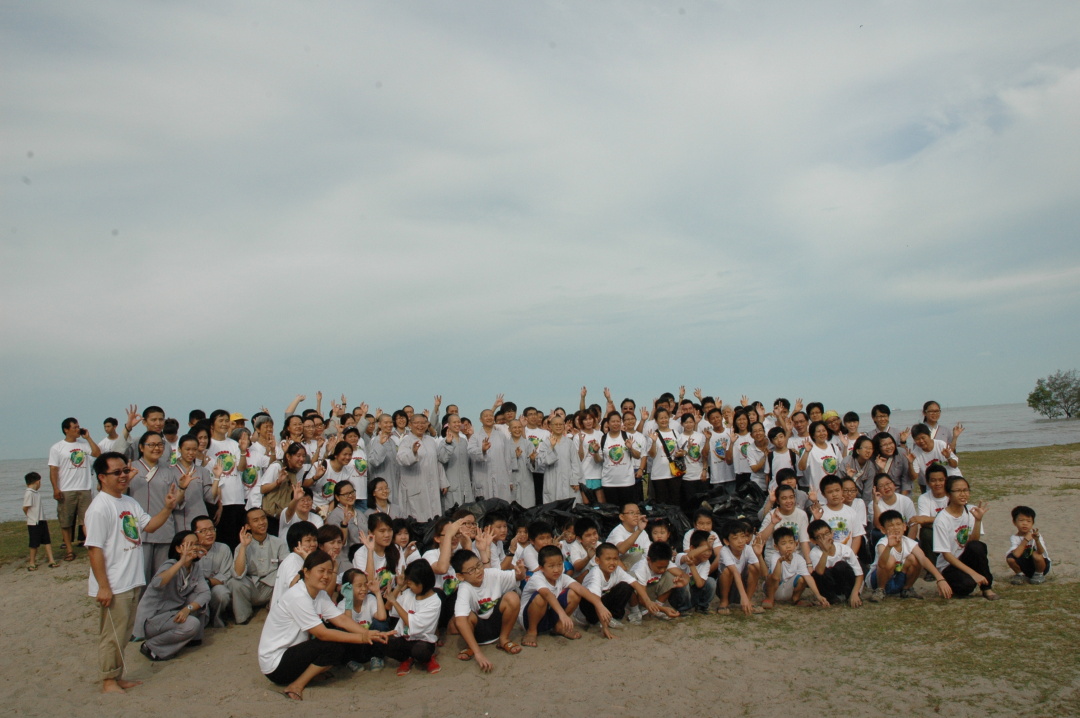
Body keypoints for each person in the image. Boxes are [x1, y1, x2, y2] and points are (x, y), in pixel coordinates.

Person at [84, 451, 179, 694]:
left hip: (132, 579)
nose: (124, 476)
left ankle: (117, 676)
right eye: (117, 472)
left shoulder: (129, 502)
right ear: (102, 477)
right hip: (114, 583)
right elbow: (94, 550)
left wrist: (168, 508)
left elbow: (150, 526)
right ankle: (108, 680)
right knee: (112, 635)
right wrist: (103, 586)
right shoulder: (99, 508)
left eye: (125, 471)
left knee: (124, 633)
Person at [258, 549, 389, 701]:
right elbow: (322, 633)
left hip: (292, 652)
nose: (326, 576)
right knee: (333, 645)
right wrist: (362, 638)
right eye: (321, 571)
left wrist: (367, 633)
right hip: (276, 664)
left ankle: (310, 674)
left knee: (338, 638)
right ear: (306, 572)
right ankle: (296, 685)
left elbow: (341, 619)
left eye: (329, 572)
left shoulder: (319, 594)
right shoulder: (298, 596)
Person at [133, 530, 210, 661]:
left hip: (172, 615)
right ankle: (151, 646)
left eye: (196, 544)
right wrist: (181, 562)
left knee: (195, 599)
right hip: (153, 619)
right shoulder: (170, 564)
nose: (194, 547)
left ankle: (191, 639)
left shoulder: (195, 567)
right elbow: (157, 583)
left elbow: (205, 593)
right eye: (190, 544)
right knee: (192, 624)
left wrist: (188, 609)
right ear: (178, 548)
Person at [451, 543, 526, 672]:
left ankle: (504, 639)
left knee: (512, 597)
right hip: (478, 630)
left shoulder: (491, 574)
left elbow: (517, 576)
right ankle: (472, 647)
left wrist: (520, 571)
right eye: (471, 570)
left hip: (496, 624)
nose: (478, 571)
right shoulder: (464, 588)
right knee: (461, 617)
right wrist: (479, 654)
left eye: (478, 565)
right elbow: (461, 621)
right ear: (461, 576)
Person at [520, 545, 602, 646]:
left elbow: (580, 589)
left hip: (550, 614)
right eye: (551, 566)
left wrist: (599, 605)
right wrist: (562, 614)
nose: (556, 570)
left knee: (575, 593)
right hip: (529, 619)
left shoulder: (562, 577)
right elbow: (547, 594)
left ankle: (559, 626)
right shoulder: (537, 577)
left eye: (559, 565)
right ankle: (532, 631)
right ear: (541, 568)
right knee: (540, 597)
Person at [933, 476, 998, 600]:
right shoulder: (941, 519)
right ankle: (952, 582)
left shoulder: (971, 510)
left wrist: (978, 521)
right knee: (966, 586)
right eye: (958, 491)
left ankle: (987, 588)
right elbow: (946, 555)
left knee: (977, 546)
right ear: (948, 494)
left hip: (965, 557)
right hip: (948, 564)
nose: (963, 494)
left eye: (966, 490)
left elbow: (974, 542)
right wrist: (973, 574)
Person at [48, 417, 101, 562]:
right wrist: (55, 488)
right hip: (66, 489)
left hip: (84, 488)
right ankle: (69, 549)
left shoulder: (84, 445)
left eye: (78, 427)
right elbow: (53, 470)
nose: (78, 429)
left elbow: (97, 453)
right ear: (66, 430)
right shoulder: (57, 448)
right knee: (66, 521)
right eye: (75, 427)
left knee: (87, 520)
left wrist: (88, 438)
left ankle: (91, 547)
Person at [868, 510, 951, 602]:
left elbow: (923, 559)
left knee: (914, 558)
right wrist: (889, 547)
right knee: (890, 560)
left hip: (898, 580)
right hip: (879, 580)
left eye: (898, 524)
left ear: (904, 526)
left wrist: (940, 579)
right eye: (891, 525)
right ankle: (880, 590)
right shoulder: (882, 543)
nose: (895, 528)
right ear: (883, 530)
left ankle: (907, 589)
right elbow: (882, 564)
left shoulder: (909, 542)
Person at [128, 431, 178, 581]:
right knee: (140, 576)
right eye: (152, 445)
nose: (156, 448)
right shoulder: (130, 468)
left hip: (164, 531)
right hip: (138, 531)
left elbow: (175, 500)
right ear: (141, 447)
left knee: (161, 577)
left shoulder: (168, 471)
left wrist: (182, 489)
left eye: (160, 445)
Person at [229, 508, 289, 624]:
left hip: (272, 587)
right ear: (248, 526)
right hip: (252, 587)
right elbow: (238, 574)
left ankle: (275, 609)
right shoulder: (241, 546)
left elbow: (287, 567)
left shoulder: (279, 542)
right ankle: (243, 617)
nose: (261, 522)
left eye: (263, 518)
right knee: (234, 583)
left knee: (285, 576)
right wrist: (243, 547)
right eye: (256, 520)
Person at [383, 559, 443, 675]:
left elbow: (411, 623)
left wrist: (394, 601)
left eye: (411, 583)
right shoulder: (409, 593)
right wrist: (399, 587)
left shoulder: (434, 601)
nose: (409, 586)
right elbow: (387, 606)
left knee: (420, 651)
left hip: (423, 640)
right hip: (404, 638)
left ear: (422, 583)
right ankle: (406, 659)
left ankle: (428, 659)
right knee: (384, 643)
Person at [580, 542, 654, 630]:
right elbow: (596, 600)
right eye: (608, 559)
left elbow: (634, 583)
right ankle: (598, 622)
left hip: (603, 603)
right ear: (597, 560)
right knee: (591, 601)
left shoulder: (617, 570)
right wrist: (605, 628)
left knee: (626, 586)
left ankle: (615, 617)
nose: (612, 562)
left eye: (615, 559)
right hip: (591, 607)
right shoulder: (596, 574)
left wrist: (647, 601)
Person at [757, 527, 829, 609]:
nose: (788, 546)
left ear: (796, 544)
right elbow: (775, 577)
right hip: (775, 589)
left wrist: (818, 595)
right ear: (776, 547)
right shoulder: (775, 557)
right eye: (783, 543)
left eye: (791, 543)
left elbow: (808, 577)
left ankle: (795, 599)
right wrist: (780, 562)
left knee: (802, 578)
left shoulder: (799, 558)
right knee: (771, 576)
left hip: (788, 589)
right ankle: (770, 598)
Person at [397, 413, 450, 521]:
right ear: (410, 425)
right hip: (415, 486)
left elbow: (438, 462)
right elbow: (401, 459)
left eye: (423, 423)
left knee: (435, 516)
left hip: (432, 484)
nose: (420, 426)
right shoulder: (406, 441)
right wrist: (413, 453)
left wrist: (443, 481)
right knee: (418, 517)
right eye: (417, 423)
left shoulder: (431, 440)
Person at [806, 520, 864, 607]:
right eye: (820, 537)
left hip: (846, 584)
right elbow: (820, 572)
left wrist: (855, 593)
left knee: (841, 566)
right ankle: (832, 598)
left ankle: (849, 595)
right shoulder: (814, 553)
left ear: (832, 532)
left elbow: (859, 574)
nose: (826, 538)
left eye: (827, 533)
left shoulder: (845, 549)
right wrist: (825, 551)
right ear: (813, 540)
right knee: (817, 573)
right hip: (831, 585)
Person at [191, 515, 233, 628]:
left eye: (211, 529)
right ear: (194, 534)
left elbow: (226, 575)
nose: (209, 533)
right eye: (203, 531)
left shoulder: (223, 549)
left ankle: (217, 620)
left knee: (222, 593)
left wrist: (209, 582)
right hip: (195, 590)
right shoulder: (190, 550)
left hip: (214, 588)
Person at [716, 521, 764, 616]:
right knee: (727, 570)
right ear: (726, 541)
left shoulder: (748, 549)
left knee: (753, 567)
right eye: (735, 538)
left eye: (743, 536)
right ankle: (724, 602)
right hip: (728, 586)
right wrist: (743, 597)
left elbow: (764, 574)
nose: (741, 541)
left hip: (742, 584)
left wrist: (759, 555)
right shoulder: (724, 551)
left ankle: (748, 600)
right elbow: (735, 572)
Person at [534, 414, 582, 503]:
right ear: (550, 426)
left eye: (561, 424)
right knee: (553, 505)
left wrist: (575, 480)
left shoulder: (569, 443)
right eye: (555, 424)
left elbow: (575, 463)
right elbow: (544, 461)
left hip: (568, 480)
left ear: (564, 426)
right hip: (552, 480)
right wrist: (551, 447)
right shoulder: (545, 443)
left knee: (569, 505)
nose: (558, 426)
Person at [272, 521, 319, 609]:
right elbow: (294, 586)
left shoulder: (300, 558)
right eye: (308, 540)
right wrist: (307, 561)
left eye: (315, 540)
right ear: (297, 543)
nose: (313, 544)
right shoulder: (293, 560)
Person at [1006, 506, 1050, 585]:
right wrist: (1026, 540)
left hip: (1041, 566)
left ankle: (1039, 575)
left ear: (1032, 523)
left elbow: (1041, 552)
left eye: (1028, 521)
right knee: (1010, 558)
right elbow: (1016, 555)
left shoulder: (1036, 535)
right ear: (1014, 522)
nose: (1025, 523)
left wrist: (1037, 540)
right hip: (1025, 566)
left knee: (1036, 554)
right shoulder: (1014, 537)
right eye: (1021, 520)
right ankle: (1020, 575)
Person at [438, 414, 473, 511]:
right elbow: (442, 459)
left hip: (466, 486)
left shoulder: (464, 441)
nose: (457, 424)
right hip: (452, 485)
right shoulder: (444, 442)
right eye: (454, 422)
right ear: (448, 425)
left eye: (459, 422)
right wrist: (448, 444)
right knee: (453, 513)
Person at [23, 471, 57, 569]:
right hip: (34, 522)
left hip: (41, 519)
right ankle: (32, 562)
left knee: (47, 540)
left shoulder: (36, 493)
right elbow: (25, 507)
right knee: (34, 543)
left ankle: (51, 560)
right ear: (37, 482)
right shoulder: (29, 493)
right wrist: (30, 516)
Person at [678, 530, 716, 613]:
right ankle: (684, 609)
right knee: (684, 582)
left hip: (694, 593)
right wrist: (707, 546)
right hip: (680, 596)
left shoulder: (706, 563)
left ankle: (701, 606)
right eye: (704, 550)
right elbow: (689, 556)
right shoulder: (680, 556)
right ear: (692, 548)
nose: (707, 553)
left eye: (710, 550)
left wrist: (692, 566)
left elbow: (699, 584)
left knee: (711, 582)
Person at [606, 502, 651, 570]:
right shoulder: (617, 532)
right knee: (637, 554)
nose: (636, 515)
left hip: (639, 567)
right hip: (621, 567)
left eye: (638, 513)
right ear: (622, 517)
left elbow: (648, 553)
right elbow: (621, 549)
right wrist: (638, 531)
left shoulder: (643, 532)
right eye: (632, 513)